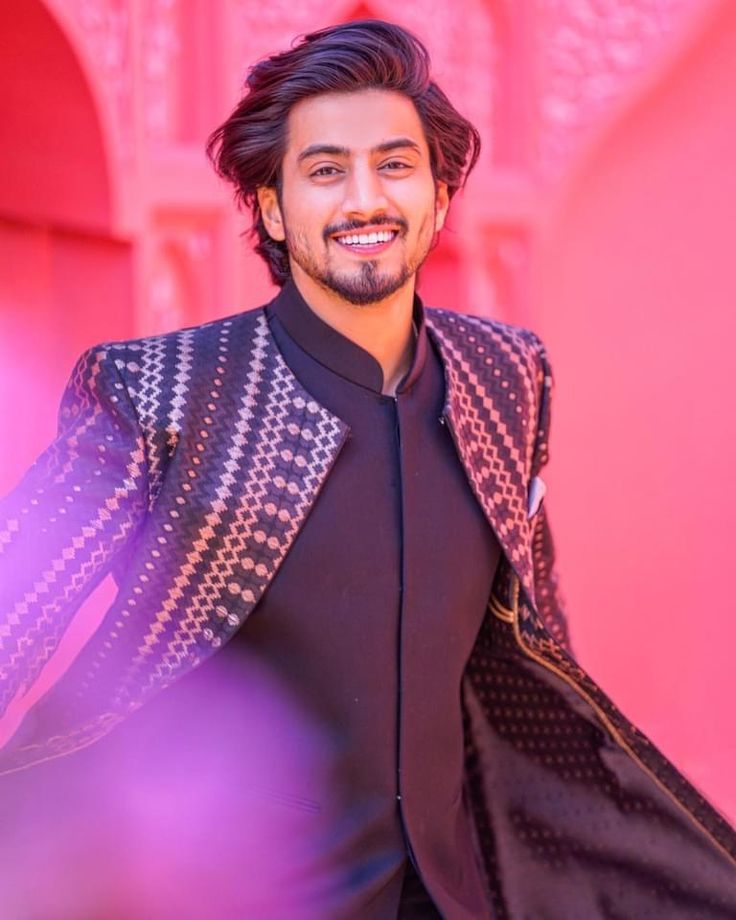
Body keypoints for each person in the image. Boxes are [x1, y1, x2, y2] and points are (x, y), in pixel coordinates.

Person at [0, 18, 734, 919]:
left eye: (395, 164)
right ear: (271, 209)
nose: (364, 199)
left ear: (437, 193)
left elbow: (539, 640)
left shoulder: (506, 376)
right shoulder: (156, 392)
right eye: (324, 170)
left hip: (453, 897)